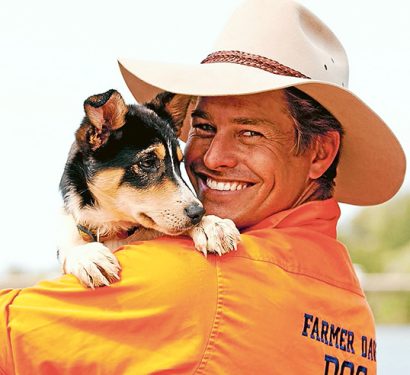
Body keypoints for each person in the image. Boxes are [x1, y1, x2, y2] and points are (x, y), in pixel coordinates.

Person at [0, 0, 405, 373]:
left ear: (319, 153)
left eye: (250, 133)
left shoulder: (196, 277)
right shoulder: (351, 308)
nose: (212, 159)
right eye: (204, 128)